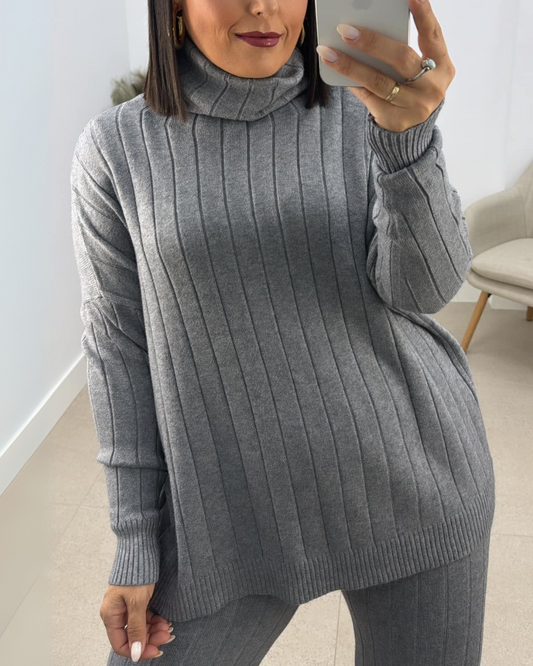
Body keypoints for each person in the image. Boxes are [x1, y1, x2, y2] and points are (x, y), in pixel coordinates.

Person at [70, 0, 496, 663]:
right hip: (230, 518)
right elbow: (118, 352)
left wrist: (408, 146)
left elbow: (424, 292)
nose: (263, 6)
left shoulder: (370, 109)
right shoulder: (117, 147)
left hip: (416, 483)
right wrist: (134, 539)